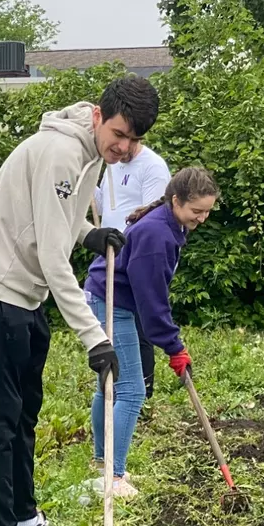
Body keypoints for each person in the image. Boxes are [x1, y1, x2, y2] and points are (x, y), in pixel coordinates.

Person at [0, 75, 161, 526]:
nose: (124, 147)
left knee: (26, 410)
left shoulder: (93, 155)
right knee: (0, 416)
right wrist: (95, 335)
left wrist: (90, 233)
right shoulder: (60, 154)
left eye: (134, 140)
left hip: (26, 292)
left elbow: (58, 220)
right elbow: (52, 257)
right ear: (98, 115)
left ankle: (27, 521)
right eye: (119, 134)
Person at [85, 167, 221, 495]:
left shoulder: (169, 223)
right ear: (176, 201)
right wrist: (174, 346)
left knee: (110, 386)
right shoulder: (157, 235)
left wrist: (170, 343)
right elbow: (152, 300)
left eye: (207, 212)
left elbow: (150, 295)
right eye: (196, 211)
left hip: (109, 297)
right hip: (110, 301)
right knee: (131, 389)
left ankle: (103, 467)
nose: (202, 219)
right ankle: (112, 478)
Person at [93, 139, 171, 402]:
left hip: (133, 259)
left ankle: (144, 393)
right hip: (109, 257)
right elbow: (105, 204)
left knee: (140, 326)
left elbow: (152, 218)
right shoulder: (113, 164)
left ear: (135, 139)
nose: (117, 152)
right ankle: (117, 390)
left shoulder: (153, 167)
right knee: (114, 327)